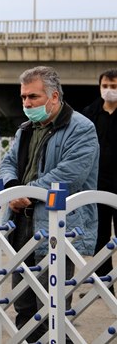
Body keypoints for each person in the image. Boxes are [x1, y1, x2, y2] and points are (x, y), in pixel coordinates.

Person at [0, 66, 98, 342]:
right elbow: (7, 163)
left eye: (33, 97)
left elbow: (70, 174)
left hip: (57, 226)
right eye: (23, 98)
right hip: (23, 224)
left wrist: (26, 192)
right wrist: (11, 189)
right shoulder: (26, 129)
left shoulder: (81, 128)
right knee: (23, 305)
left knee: (52, 308)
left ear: (54, 97)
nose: (27, 104)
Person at [82, 69, 117, 291]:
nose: (109, 90)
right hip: (98, 185)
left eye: (113, 86)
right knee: (100, 235)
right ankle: (104, 284)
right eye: (105, 85)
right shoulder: (89, 113)